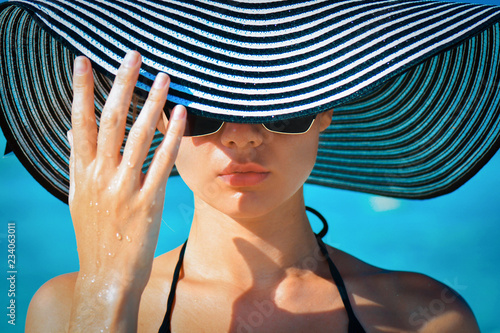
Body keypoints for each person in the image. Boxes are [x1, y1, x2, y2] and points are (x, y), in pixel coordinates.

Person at [1, 1, 499, 332]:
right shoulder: (65, 309)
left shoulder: (426, 318)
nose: (242, 133)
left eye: (284, 101)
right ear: (154, 121)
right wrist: (107, 292)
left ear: (328, 108)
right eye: (202, 106)